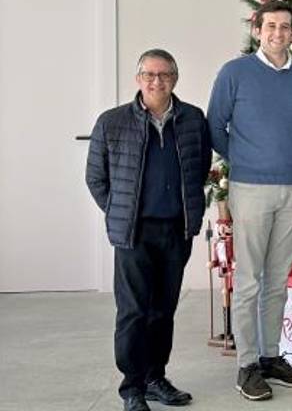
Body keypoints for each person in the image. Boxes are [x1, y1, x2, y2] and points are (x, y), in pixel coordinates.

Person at [85, 49, 211, 411]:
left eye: (165, 74)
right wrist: (120, 212)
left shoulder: (192, 119)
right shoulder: (112, 122)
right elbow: (96, 178)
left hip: (176, 231)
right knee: (133, 312)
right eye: (150, 75)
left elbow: (199, 168)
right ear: (138, 79)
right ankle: (132, 388)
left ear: (175, 78)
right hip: (134, 234)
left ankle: (156, 378)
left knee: (163, 310)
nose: (157, 81)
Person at [207, 0, 292, 402]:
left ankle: (272, 356)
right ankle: (247, 365)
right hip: (250, 188)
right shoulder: (235, 73)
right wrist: (245, 159)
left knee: (277, 280)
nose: (277, 33)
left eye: (285, 27)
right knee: (250, 279)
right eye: (270, 26)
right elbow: (215, 125)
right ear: (257, 30)